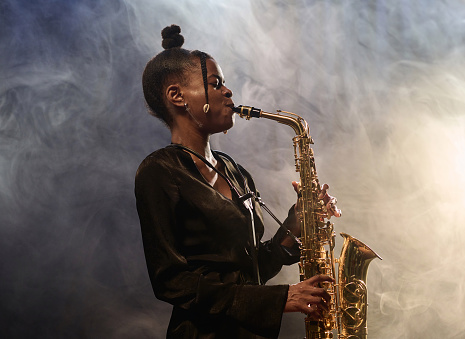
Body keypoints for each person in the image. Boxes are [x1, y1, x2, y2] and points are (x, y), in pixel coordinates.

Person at [135, 25, 340, 339]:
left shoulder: (235, 171)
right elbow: (172, 282)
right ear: (177, 96)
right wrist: (281, 297)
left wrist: (298, 221)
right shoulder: (159, 170)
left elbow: (252, 270)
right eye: (215, 83)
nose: (228, 92)